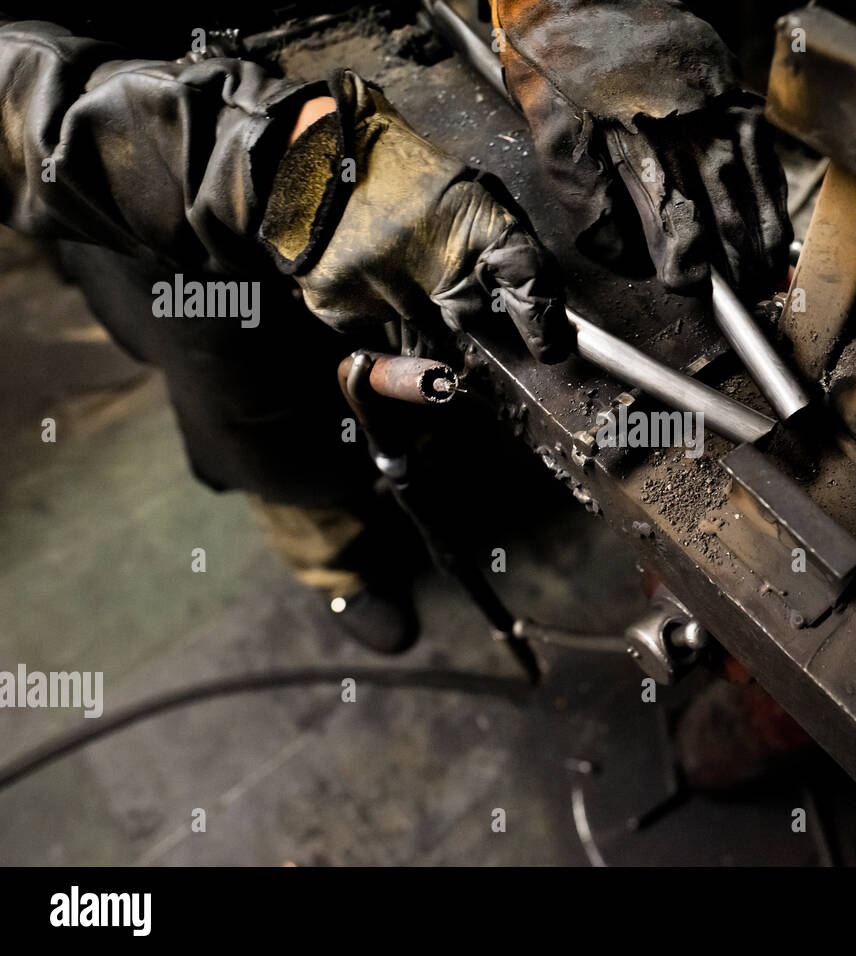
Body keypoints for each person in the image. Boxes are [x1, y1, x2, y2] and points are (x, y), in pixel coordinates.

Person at [0, 1, 792, 652]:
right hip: (141, 156)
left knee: (462, 317)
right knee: (259, 410)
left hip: (382, 55)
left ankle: (429, 456)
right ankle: (338, 566)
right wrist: (262, 162)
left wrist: (562, 12)